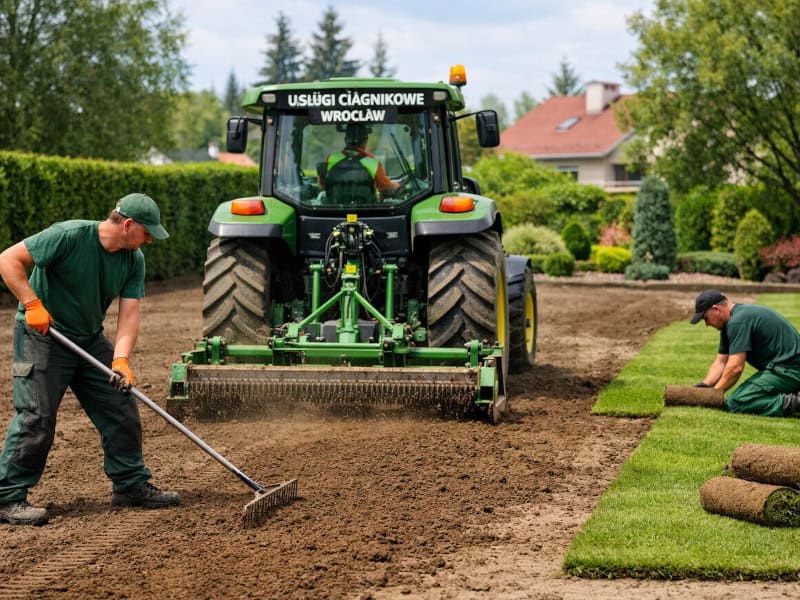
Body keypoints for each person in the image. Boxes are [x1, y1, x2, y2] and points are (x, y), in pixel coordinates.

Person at [0, 193, 180, 526]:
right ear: (128, 225)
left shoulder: (132, 259)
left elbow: (129, 314)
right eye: (146, 232)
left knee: (120, 405)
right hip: (43, 336)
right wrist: (31, 303)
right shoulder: (68, 236)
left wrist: (121, 360)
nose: (150, 239)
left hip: (88, 338)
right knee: (36, 417)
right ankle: (7, 497)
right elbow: (7, 259)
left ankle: (130, 485)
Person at [691, 289, 800, 417]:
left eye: (706, 318)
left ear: (716, 309)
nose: (707, 324)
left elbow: (735, 368)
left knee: (735, 403)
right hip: (786, 368)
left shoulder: (738, 322)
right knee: (741, 398)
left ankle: (795, 403)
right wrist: (705, 385)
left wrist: (713, 395)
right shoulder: (731, 322)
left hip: (790, 370)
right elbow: (721, 362)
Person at [318, 123, 401, 202]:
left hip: (334, 211)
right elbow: (387, 191)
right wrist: (396, 186)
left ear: (346, 140)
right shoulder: (373, 163)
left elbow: (322, 185)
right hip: (366, 213)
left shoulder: (330, 159)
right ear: (365, 141)